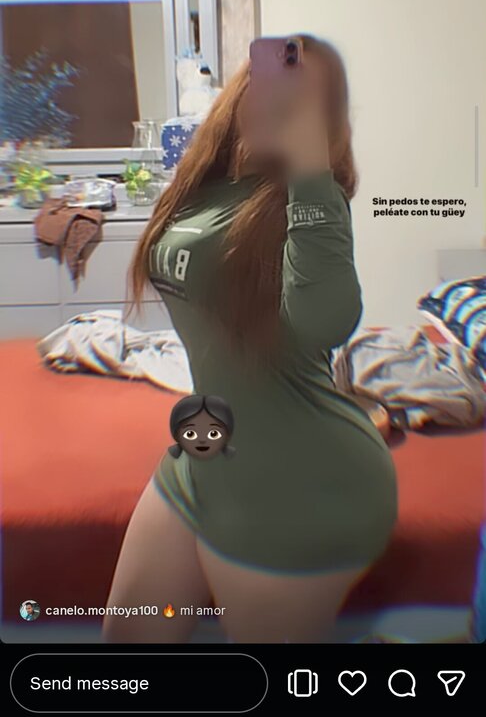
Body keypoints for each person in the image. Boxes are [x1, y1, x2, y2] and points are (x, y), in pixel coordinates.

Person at [103, 34, 397, 644]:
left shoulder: (308, 198)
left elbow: (326, 322)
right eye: (270, 82)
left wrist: (309, 164)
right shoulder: (209, 183)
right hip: (202, 458)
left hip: (299, 487)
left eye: (301, 95)